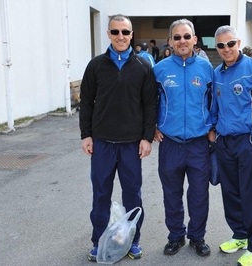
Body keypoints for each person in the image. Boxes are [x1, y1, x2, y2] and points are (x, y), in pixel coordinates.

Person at [79, 14, 158, 262]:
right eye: (115, 32)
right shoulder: (96, 66)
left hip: (131, 145)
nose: (121, 36)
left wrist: (146, 137)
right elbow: (87, 104)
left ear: (132, 34)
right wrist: (86, 135)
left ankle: (133, 240)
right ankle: (98, 241)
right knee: (100, 194)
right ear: (109, 34)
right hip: (102, 143)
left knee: (133, 195)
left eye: (125, 32)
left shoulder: (143, 66)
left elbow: (149, 105)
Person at [212, 25, 252, 266]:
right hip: (224, 141)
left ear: (238, 43)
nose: (226, 48)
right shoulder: (217, 72)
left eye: (230, 43)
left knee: (250, 193)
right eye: (221, 45)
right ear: (216, 47)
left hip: (248, 140)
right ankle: (239, 235)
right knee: (229, 191)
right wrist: (214, 131)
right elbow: (214, 106)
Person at [153, 18, 214, 257]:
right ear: (170, 41)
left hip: (199, 144)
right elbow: (147, 101)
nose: (182, 41)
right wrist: (151, 127)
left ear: (194, 40)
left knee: (199, 195)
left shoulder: (207, 69)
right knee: (171, 194)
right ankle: (176, 236)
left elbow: (214, 102)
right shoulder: (160, 69)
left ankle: (197, 237)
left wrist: (213, 127)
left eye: (186, 36)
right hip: (170, 144)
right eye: (177, 37)